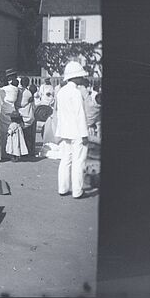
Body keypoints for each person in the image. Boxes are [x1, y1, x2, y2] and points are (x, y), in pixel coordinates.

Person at [55, 61, 91, 198]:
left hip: (65, 131)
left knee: (65, 160)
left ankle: (63, 189)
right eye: (80, 76)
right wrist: (85, 134)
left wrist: (59, 132)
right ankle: (77, 191)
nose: (82, 78)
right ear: (75, 77)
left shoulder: (61, 92)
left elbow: (59, 113)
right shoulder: (75, 93)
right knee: (78, 161)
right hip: (77, 132)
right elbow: (80, 114)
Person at [18, 76, 37, 157]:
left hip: (19, 114)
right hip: (28, 115)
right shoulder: (29, 93)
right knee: (29, 136)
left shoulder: (18, 91)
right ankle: (29, 151)